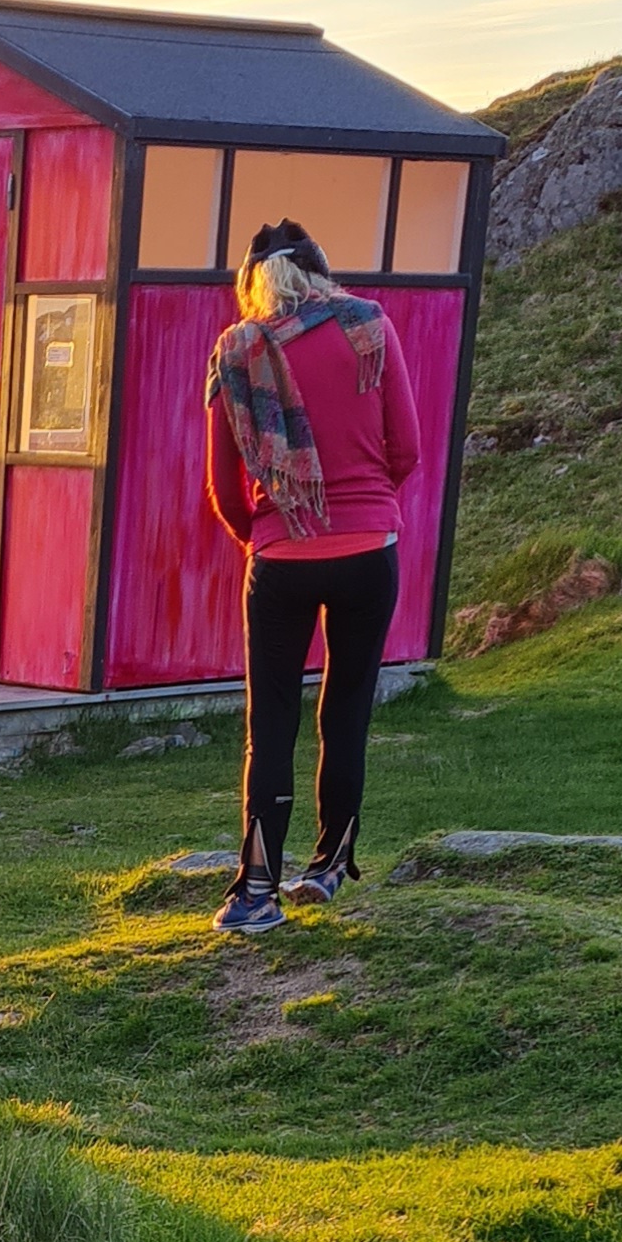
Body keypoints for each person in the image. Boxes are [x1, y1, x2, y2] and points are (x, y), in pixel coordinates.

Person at [204, 217, 421, 935]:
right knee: (347, 707)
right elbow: (407, 448)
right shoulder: (371, 328)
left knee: (272, 724)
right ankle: (329, 865)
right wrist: (361, 509)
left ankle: (256, 892)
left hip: (280, 556)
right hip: (368, 548)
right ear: (325, 273)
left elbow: (226, 487)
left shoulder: (236, 351)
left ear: (251, 282)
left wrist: (270, 533)